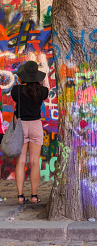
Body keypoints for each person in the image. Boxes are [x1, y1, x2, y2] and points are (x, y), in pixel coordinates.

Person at [12, 61, 48, 204]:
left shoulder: (16, 90)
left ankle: (20, 196)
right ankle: (34, 196)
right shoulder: (43, 91)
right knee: (34, 162)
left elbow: (17, 97)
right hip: (36, 125)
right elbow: (41, 90)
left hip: (21, 126)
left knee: (20, 162)